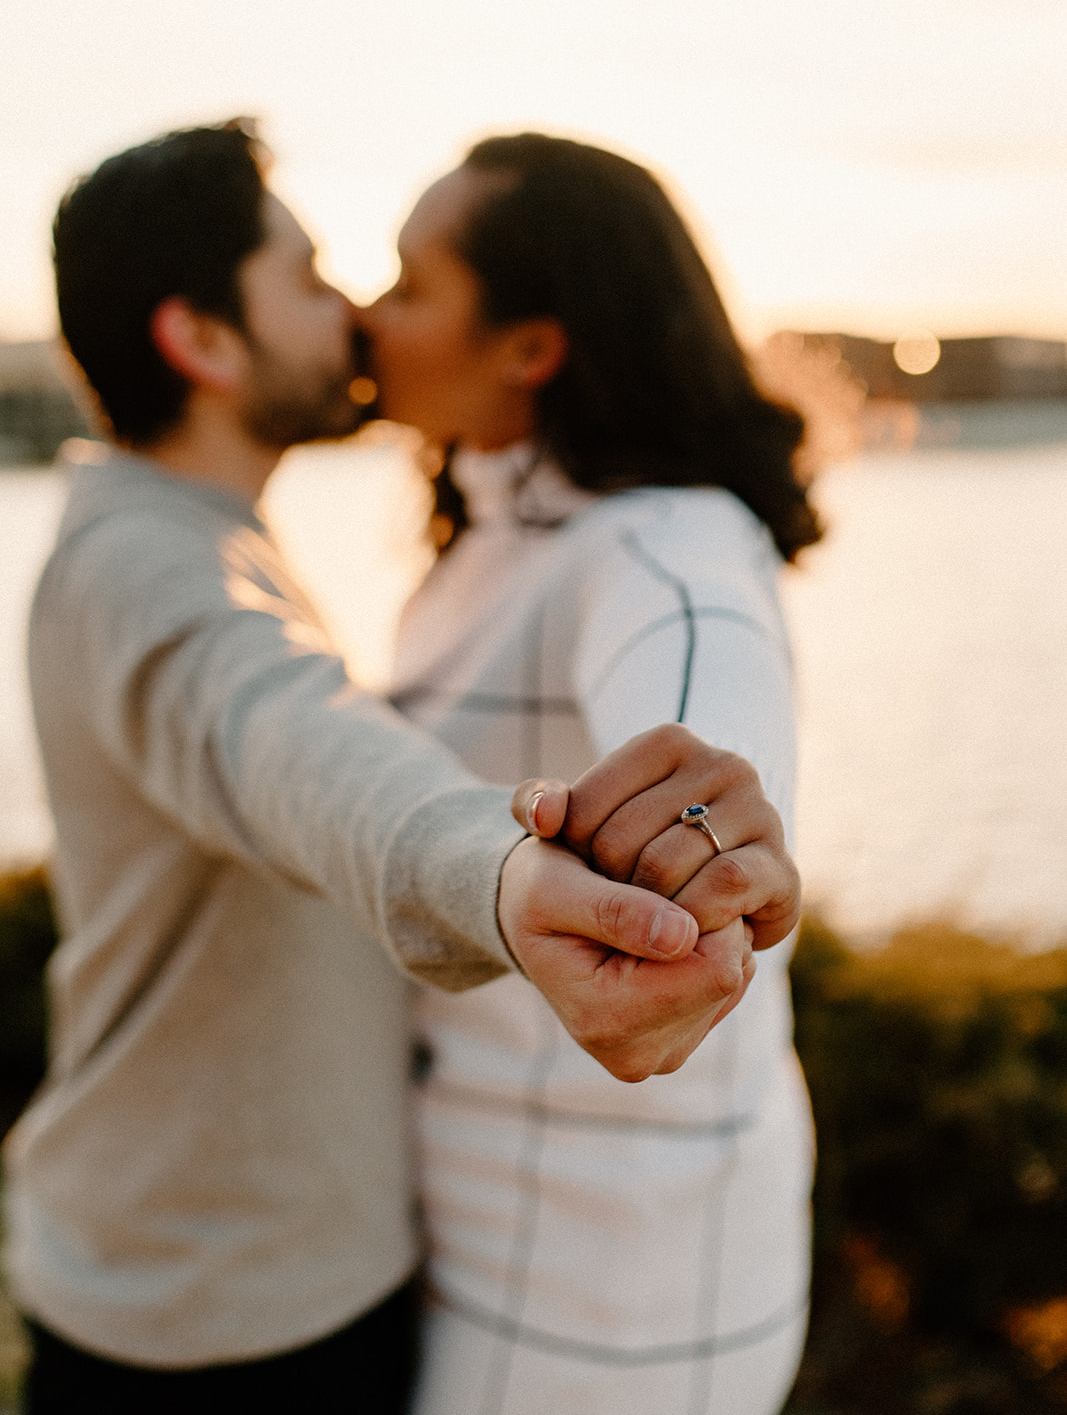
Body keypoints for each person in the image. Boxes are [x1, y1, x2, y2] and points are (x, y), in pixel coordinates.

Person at [3, 122, 801, 1414]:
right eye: (312, 281)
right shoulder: (145, 573)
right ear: (202, 342)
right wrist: (498, 870)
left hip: (296, 1275)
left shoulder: (215, 537)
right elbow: (284, 740)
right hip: (207, 1316)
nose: (355, 316)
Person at [362, 131, 823, 1415]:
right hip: (479, 1211)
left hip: (615, 1276)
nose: (365, 316)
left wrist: (706, 842)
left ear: (529, 348)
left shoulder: (663, 544)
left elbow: (699, 736)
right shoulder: (494, 533)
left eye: (406, 286)